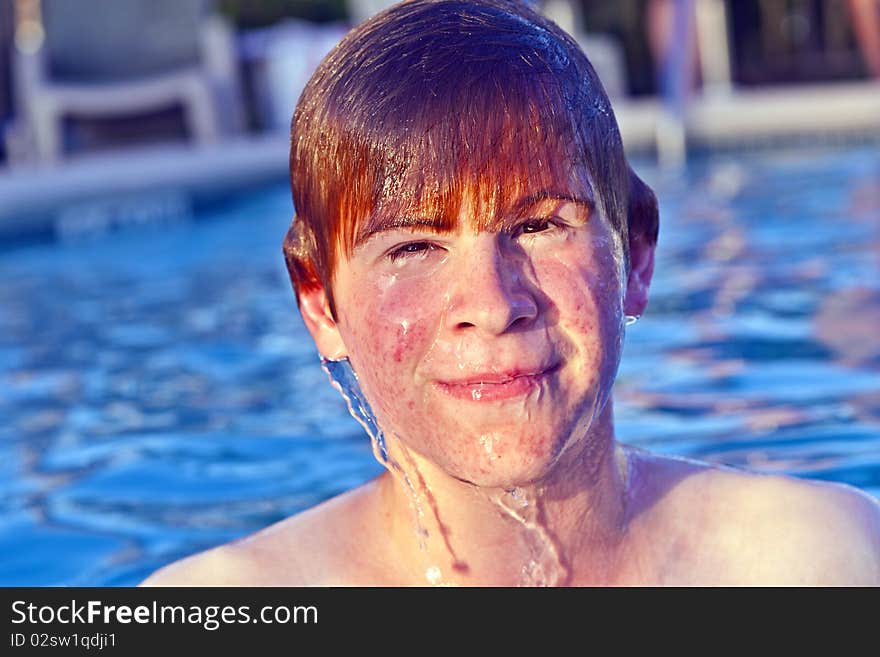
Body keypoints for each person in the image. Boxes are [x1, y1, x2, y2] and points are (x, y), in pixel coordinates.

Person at [143, 0, 880, 586]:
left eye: (538, 225)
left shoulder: (818, 562)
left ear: (639, 254)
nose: (492, 304)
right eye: (414, 247)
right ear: (318, 302)